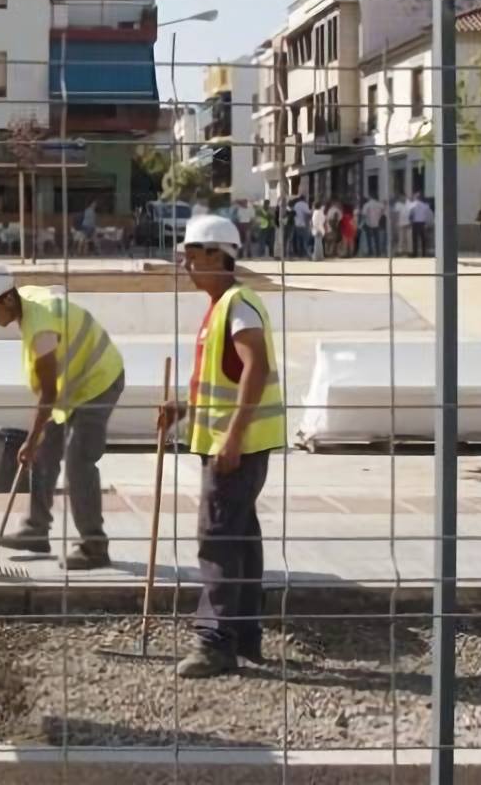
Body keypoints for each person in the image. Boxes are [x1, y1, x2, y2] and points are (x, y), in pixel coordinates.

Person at [158, 214, 285, 677]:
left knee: (217, 538)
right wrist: (183, 409)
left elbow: (256, 367)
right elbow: (224, 378)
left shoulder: (238, 305)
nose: (187, 266)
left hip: (237, 447)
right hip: (237, 443)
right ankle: (246, 634)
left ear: (218, 255)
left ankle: (216, 641)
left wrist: (231, 436)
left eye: (193, 257)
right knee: (242, 538)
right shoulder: (222, 306)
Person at [0, 261, 126, 570]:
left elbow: (48, 393)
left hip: (99, 382)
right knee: (44, 453)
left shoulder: (40, 325)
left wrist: (31, 438)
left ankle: (94, 547)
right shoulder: (26, 301)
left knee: (79, 462)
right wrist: (36, 440)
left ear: (7, 300)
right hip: (74, 387)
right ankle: (35, 531)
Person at [361, 192, 386, 258]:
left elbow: (364, 214)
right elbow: (383, 212)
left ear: (370, 197)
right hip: (377, 223)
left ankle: (370, 252)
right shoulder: (380, 204)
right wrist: (379, 217)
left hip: (368, 223)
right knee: (376, 238)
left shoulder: (367, 204)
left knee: (369, 238)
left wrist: (362, 223)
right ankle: (378, 252)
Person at [291, 195, 312, 259]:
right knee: (305, 240)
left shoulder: (296, 205)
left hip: (296, 224)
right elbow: (308, 213)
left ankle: (299, 254)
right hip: (303, 224)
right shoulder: (304, 205)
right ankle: (306, 254)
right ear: (304, 199)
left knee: (298, 240)